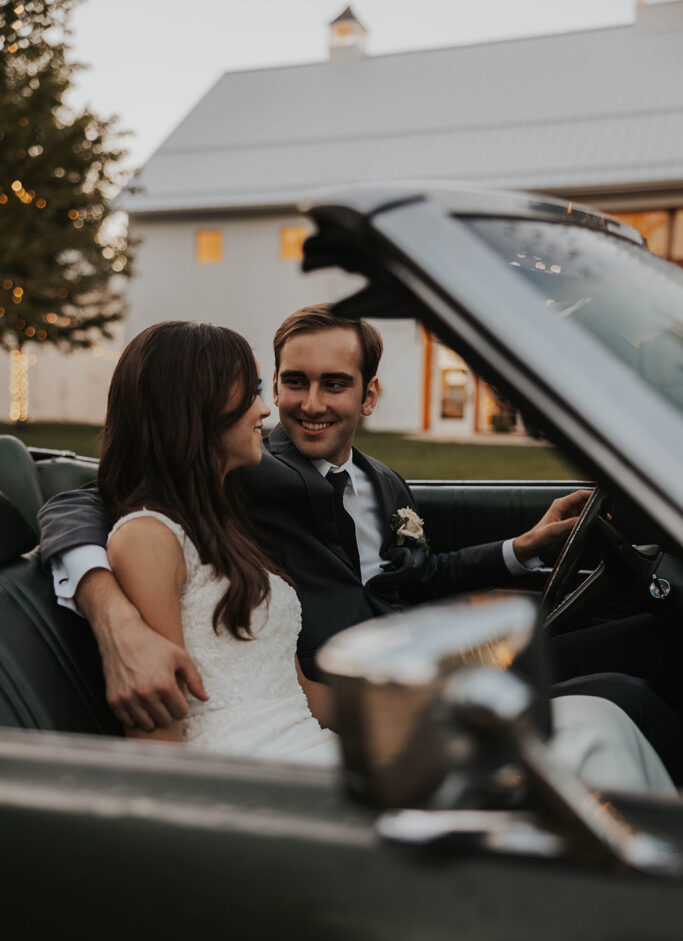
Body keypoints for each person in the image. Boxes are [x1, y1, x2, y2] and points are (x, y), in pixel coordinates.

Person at [37, 307, 680, 790]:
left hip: (374, 694)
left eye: (333, 384)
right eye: (277, 385)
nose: (286, 407)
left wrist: (521, 549)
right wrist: (110, 610)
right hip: (276, 762)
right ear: (197, 412)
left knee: (605, 711)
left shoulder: (371, 482)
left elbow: (401, 588)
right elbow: (87, 498)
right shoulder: (241, 481)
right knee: (611, 707)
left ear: (368, 395)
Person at [88, 319, 337, 765]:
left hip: (310, 750)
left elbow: (297, 692)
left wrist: (411, 704)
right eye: (251, 392)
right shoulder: (149, 538)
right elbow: (157, 734)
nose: (265, 410)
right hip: (241, 777)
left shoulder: (232, 524)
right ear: (194, 405)